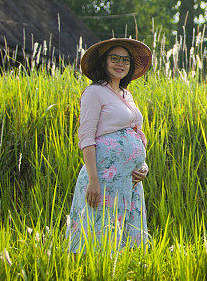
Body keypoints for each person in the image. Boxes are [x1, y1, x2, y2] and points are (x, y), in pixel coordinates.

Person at [65, 38, 152, 252]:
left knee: (125, 238)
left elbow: (137, 135)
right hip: (103, 177)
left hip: (129, 180)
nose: (120, 64)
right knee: (97, 234)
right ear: (104, 62)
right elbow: (86, 137)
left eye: (125, 60)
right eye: (114, 58)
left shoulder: (127, 95)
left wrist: (142, 166)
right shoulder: (94, 92)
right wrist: (93, 180)